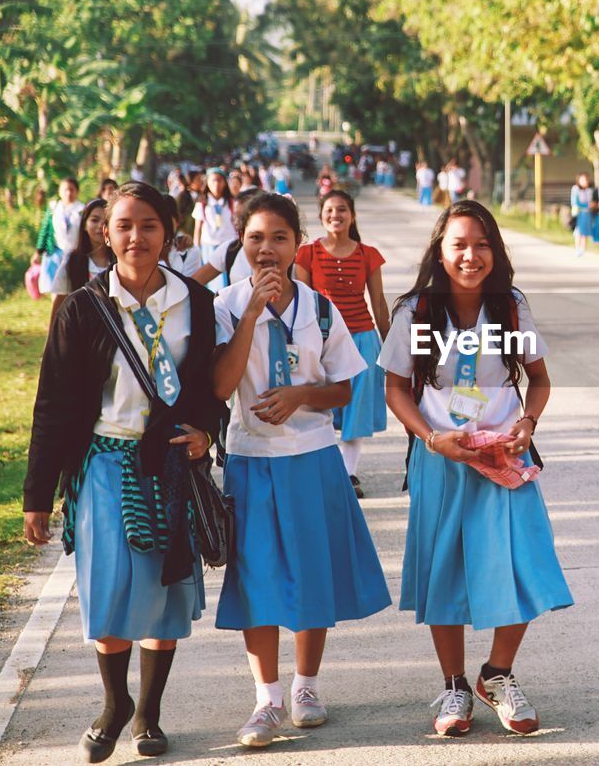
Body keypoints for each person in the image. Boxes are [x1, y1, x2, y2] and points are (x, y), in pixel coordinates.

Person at [23, 182, 218, 763]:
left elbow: (209, 388)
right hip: (105, 465)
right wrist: (37, 495)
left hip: (171, 465)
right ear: (104, 233)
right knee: (108, 592)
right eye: (124, 225)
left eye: (149, 225)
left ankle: (149, 716)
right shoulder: (83, 308)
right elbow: (53, 404)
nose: (136, 237)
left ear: (169, 232)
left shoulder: (196, 304)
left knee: (164, 590)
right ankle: (113, 704)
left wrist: (206, 432)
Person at [378, 200, 572, 738]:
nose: (471, 255)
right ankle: (455, 686)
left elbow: (540, 379)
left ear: (496, 251)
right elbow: (394, 387)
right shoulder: (414, 311)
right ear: (439, 252)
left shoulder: (510, 307)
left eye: (482, 244)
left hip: (505, 457)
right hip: (441, 460)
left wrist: (527, 424)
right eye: (459, 244)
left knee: (525, 563)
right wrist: (433, 438)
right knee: (445, 572)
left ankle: (497, 674)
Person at [211, 192, 391, 747]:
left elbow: (342, 386)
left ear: (297, 244)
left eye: (280, 238)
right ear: (242, 241)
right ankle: (265, 698)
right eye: (257, 238)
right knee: (257, 574)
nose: (267, 249)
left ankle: (305, 686)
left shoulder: (317, 307)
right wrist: (249, 316)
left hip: (312, 459)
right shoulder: (222, 305)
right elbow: (220, 386)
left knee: (313, 570)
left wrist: (299, 396)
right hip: (253, 459)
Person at [294, 190, 389, 497]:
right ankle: (324, 468)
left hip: (363, 339)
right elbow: (301, 302)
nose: (336, 215)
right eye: (330, 210)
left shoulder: (368, 254)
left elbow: (378, 303)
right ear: (321, 215)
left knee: (357, 408)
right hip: (321, 340)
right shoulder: (306, 254)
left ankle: (348, 474)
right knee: (320, 406)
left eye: (342, 210)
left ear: (353, 215)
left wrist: (392, 347)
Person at [51, 198, 114, 318]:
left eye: (106, 221)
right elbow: (60, 300)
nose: (101, 225)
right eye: (94, 220)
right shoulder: (73, 261)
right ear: (84, 225)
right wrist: (52, 336)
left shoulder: (121, 261)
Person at [34, 177, 86, 295]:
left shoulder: (82, 210)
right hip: (56, 253)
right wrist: (38, 251)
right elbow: (45, 229)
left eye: (72, 190)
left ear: (77, 192)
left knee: (73, 288)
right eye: (65, 190)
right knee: (56, 289)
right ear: (60, 192)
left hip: (75, 254)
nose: (68, 193)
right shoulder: (53, 208)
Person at [192, 168, 239, 276]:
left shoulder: (232, 203)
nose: (216, 184)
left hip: (229, 246)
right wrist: (196, 249)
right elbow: (198, 228)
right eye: (213, 180)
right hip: (209, 247)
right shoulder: (202, 204)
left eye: (220, 180)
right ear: (207, 183)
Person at [569, 172, 595, 256]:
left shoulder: (589, 190)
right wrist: (587, 205)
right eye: (583, 180)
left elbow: (591, 202)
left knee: (585, 232)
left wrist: (592, 205)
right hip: (579, 213)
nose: (585, 181)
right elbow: (576, 202)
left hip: (587, 213)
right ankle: (577, 248)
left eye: (586, 180)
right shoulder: (576, 189)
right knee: (578, 231)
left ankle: (583, 249)